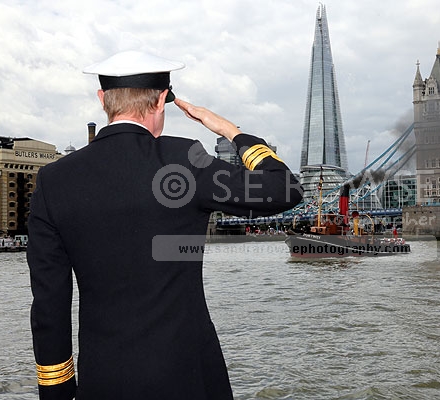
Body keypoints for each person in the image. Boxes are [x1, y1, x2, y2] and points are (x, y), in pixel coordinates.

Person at [27, 50, 303, 400]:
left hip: (103, 379)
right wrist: (230, 131)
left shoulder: (54, 180)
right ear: (161, 100)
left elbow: (49, 305)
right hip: (188, 376)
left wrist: (56, 393)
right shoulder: (185, 160)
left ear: (102, 99)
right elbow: (285, 189)